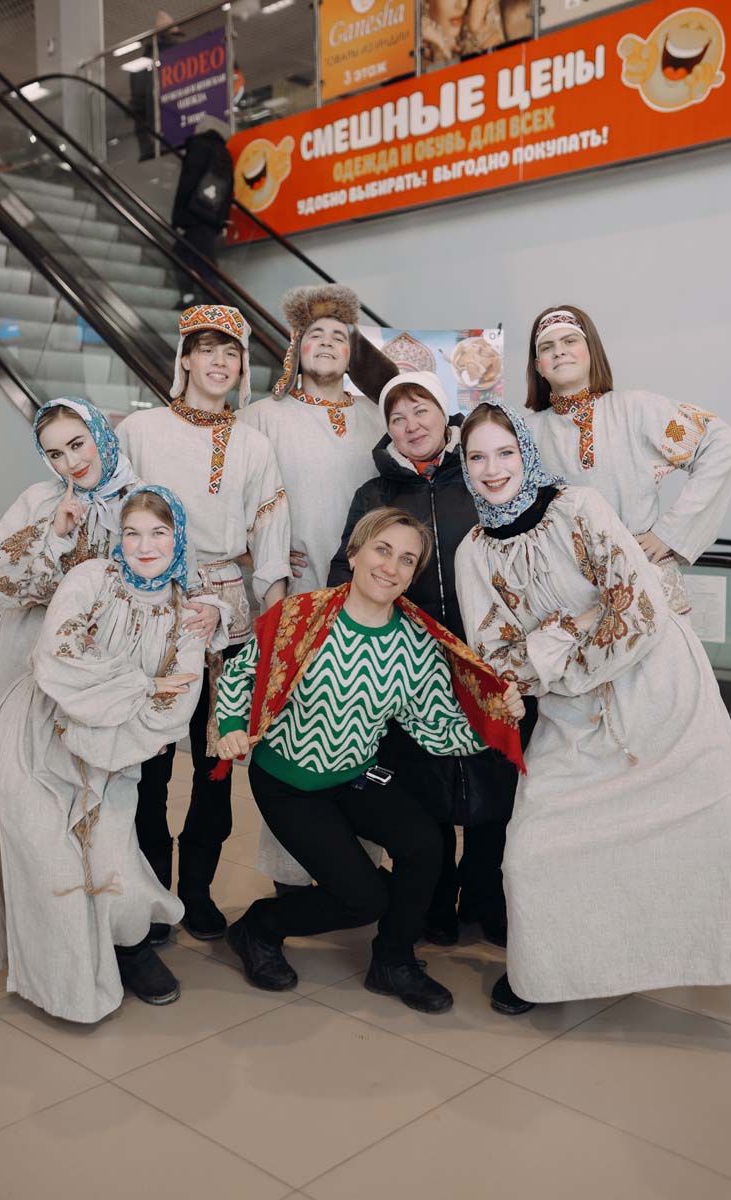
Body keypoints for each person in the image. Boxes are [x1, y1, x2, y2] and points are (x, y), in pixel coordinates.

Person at [455, 402, 731, 1014]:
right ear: (463, 466)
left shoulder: (579, 507)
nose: (493, 469)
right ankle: (546, 972)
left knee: (717, 819)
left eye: (506, 452)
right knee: (535, 848)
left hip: (660, 689)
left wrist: (550, 652)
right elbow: (500, 656)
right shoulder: (474, 553)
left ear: (526, 455)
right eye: (477, 457)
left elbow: (638, 610)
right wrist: (573, 630)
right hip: (572, 715)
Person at [214, 507, 525, 1013]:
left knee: (425, 846)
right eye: (383, 550)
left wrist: (499, 716)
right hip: (289, 782)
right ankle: (258, 927)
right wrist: (230, 727)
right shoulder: (301, 616)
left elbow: (437, 726)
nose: (391, 567)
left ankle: (393, 960)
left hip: (356, 774)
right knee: (363, 899)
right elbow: (240, 674)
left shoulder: (415, 642)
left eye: (407, 559)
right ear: (354, 553)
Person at [0, 487, 206, 1022]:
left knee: (115, 863)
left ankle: (129, 950)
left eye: (159, 533)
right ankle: (66, 986)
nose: (144, 546)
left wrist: (114, 705)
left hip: (113, 756)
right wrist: (142, 684)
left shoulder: (188, 613)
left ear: (178, 538)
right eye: (132, 532)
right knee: (51, 863)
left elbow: (174, 708)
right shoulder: (91, 577)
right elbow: (58, 658)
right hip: (31, 737)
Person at [329, 371, 537, 946]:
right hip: (410, 661)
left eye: (420, 410)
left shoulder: (478, 476)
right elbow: (347, 568)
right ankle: (435, 900)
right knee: (424, 787)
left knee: (499, 778)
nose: (411, 425)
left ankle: (487, 896)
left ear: (444, 414)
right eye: (397, 417)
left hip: (489, 657)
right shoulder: (375, 494)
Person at [116, 304, 290, 943]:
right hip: (150, 609)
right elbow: (115, 520)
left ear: (242, 367)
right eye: (207, 349)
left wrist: (273, 628)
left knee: (218, 762)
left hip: (228, 611)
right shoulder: (140, 430)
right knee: (150, 763)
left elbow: (270, 534)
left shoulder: (254, 444)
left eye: (232, 353)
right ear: (184, 358)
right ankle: (150, 894)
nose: (220, 362)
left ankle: (196, 892)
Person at [238, 283, 397, 888]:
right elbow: (238, 501)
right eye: (316, 335)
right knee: (296, 726)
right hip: (300, 596)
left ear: (352, 351)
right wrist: (259, 552)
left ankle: (357, 872)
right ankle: (293, 876)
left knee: (361, 722)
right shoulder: (262, 418)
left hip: (370, 597)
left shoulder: (375, 416)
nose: (328, 343)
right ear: (295, 348)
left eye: (339, 336)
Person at [524, 306, 731, 614]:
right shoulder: (526, 432)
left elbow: (721, 442)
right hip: (569, 596)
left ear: (591, 351)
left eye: (570, 341)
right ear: (538, 366)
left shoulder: (634, 409)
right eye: (547, 347)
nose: (559, 351)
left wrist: (669, 533)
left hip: (645, 585)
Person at [0, 397, 140, 727]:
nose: (71, 462)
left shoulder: (142, 501)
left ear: (100, 434)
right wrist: (52, 534)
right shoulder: (39, 500)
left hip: (106, 657)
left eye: (77, 444)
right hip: (29, 650)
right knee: (23, 745)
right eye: (55, 454)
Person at [171, 114, 234, 307]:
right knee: (187, 256)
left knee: (197, 262)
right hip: (211, 218)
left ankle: (211, 306)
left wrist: (178, 216)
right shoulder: (224, 153)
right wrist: (220, 220)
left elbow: (188, 182)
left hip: (194, 216)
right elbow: (228, 190)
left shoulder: (199, 146)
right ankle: (193, 299)